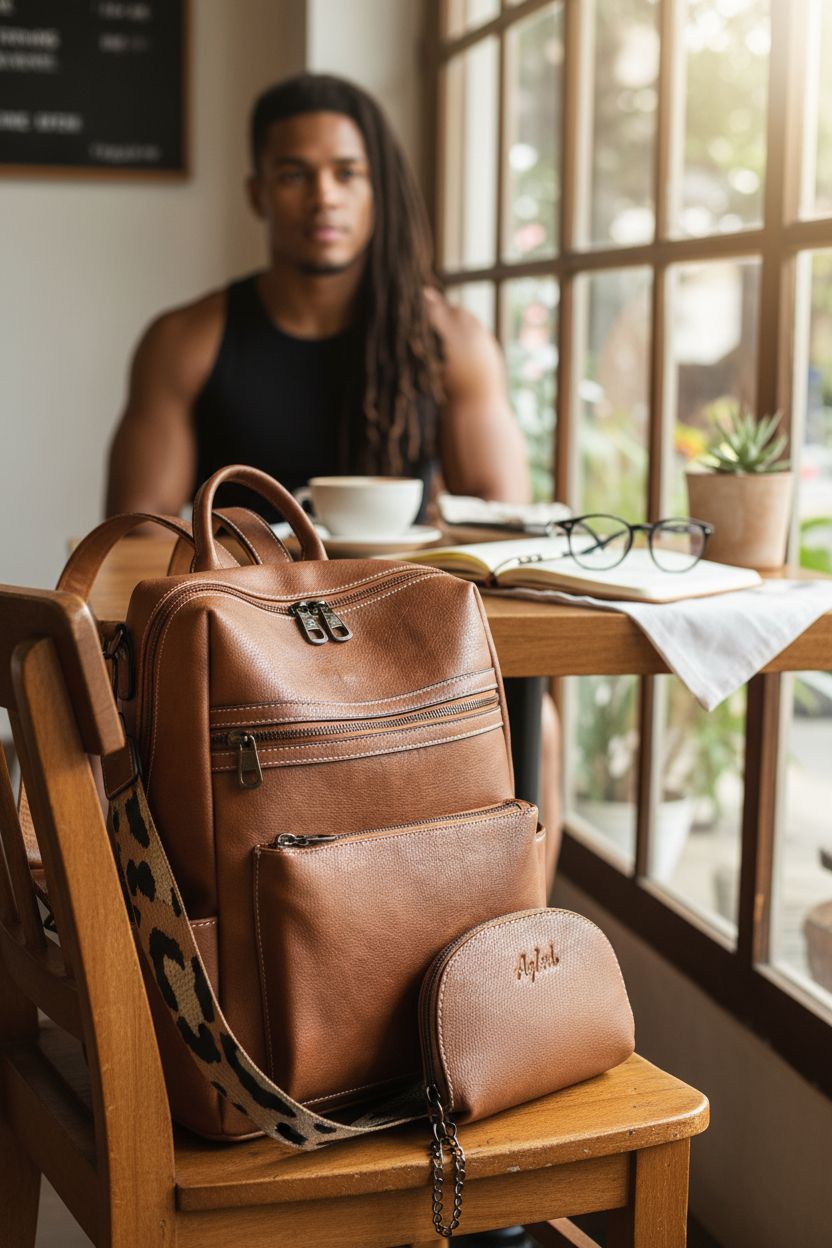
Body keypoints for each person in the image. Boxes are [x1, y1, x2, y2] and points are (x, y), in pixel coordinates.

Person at [107, 76, 557, 1248]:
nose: (323, 196)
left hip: (413, 696)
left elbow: (502, 540)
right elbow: (131, 559)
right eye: (298, 172)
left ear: (376, 186)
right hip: (260, 702)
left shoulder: (444, 337)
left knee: (517, 685)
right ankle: (292, 1097)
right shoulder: (191, 339)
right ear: (258, 189)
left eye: (347, 172)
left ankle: (485, 1065)